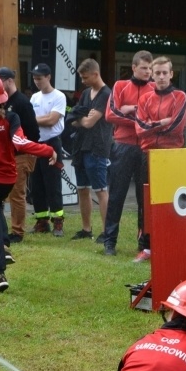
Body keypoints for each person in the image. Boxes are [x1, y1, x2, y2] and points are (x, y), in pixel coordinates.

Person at [0, 71, 57, 293]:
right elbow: (20, 143)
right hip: (7, 178)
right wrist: (48, 150)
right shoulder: (10, 117)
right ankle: (4, 245)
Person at [133, 56, 186, 262]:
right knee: (145, 201)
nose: (162, 77)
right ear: (152, 75)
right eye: (157, 73)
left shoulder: (180, 96)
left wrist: (153, 125)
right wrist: (161, 123)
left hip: (171, 155)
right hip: (148, 155)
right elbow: (139, 129)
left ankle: (171, 242)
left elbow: (177, 127)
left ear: (172, 74)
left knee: (172, 201)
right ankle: (146, 247)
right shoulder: (145, 99)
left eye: (165, 72)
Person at [103, 50, 154, 257]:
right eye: (144, 68)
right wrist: (140, 119)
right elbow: (110, 114)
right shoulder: (120, 86)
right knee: (117, 195)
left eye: (150, 68)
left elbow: (156, 118)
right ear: (133, 67)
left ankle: (145, 243)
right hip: (123, 145)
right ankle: (109, 242)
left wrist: (129, 109)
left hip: (146, 148)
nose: (148, 72)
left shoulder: (155, 89)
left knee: (145, 197)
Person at [0, 66, 40, 243]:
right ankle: (1, 228)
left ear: (9, 81)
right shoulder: (2, 101)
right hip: (5, 155)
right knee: (3, 194)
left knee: (16, 194)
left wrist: (26, 150)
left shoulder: (22, 102)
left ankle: (17, 231)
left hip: (21, 154)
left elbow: (34, 132)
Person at [70, 59, 112, 242]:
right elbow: (72, 119)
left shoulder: (106, 94)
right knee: (82, 189)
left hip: (97, 148)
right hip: (81, 146)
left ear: (96, 74)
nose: (83, 81)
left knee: (100, 190)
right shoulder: (86, 93)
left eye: (85, 77)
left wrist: (80, 118)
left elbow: (88, 122)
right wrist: (81, 118)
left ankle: (106, 232)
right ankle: (86, 229)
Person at [28, 63, 67, 236]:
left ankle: (58, 221)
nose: (37, 81)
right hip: (36, 144)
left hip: (52, 143)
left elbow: (52, 120)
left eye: (40, 78)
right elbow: (35, 119)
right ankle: (42, 220)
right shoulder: (34, 97)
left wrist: (34, 119)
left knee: (53, 184)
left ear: (49, 77)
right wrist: (39, 119)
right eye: (34, 78)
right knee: (36, 185)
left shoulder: (59, 96)